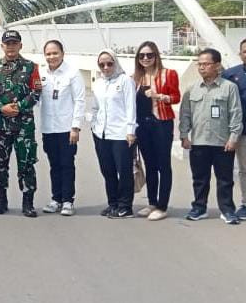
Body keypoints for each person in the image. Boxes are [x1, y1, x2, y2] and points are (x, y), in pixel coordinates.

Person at [180, 48, 242, 225]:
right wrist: (184, 135)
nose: (201, 68)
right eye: (199, 64)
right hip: (199, 142)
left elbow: (236, 114)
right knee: (200, 179)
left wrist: (233, 138)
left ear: (217, 65)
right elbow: (185, 114)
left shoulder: (229, 88)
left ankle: (227, 210)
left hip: (223, 143)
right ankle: (199, 208)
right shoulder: (192, 89)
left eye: (206, 64)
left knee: (225, 180)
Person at [0, 30, 42, 217]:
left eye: (14, 43)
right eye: (7, 43)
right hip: (1, 126)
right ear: (2, 46)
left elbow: (36, 92)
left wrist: (18, 107)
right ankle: (1, 201)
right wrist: (1, 108)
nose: (11, 46)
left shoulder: (31, 67)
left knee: (26, 164)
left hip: (23, 126)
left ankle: (28, 203)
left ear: (20, 45)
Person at [133, 41, 180, 221]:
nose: (145, 58)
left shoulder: (168, 74)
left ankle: (162, 205)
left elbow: (176, 97)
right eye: (142, 55)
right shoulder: (136, 78)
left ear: (156, 56)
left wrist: (159, 96)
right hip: (143, 126)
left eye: (149, 55)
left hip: (161, 123)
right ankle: (152, 202)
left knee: (163, 165)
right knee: (150, 164)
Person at [89, 49, 137, 219]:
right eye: (102, 64)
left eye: (109, 63)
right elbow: (95, 107)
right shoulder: (99, 83)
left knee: (124, 171)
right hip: (101, 134)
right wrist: (93, 124)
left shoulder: (125, 81)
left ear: (115, 63)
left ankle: (125, 206)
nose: (106, 67)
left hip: (120, 135)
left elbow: (131, 107)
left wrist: (131, 131)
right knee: (107, 170)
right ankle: (113, 203)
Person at [39, 40, 85, 217]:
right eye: (48, 54)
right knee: (54, 164)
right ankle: (56, 199)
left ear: (62, 53)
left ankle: (67, 200)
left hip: (67, 128)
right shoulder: (41, 73)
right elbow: (37, 97)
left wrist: (76, 127)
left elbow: (80, 101)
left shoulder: (72, 73)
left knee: (67, 164)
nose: (52, 57)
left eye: (55, 53)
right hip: (48, 128)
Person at [221, 38, 246, 220]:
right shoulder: (230, 75)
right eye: (245, 51)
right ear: (240, 54)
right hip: (242, 132)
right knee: (244, 169)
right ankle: (245, 204)